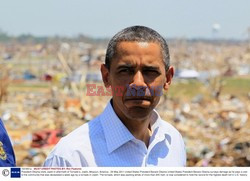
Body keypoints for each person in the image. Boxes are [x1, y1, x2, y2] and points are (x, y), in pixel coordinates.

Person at [44, 25, 186, 167]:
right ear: (106, 77)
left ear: (167, 79)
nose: (138, 84)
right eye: (125, 71)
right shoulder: (72, 157)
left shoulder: (172, 143)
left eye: (150, 72)